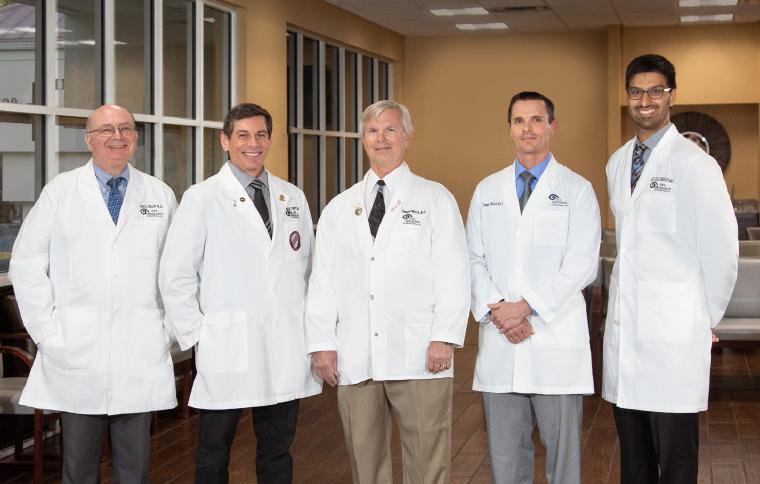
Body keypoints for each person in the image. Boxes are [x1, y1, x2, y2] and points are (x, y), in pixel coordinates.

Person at [9, 104, 177, 483]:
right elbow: (27, 264)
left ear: (135, 137)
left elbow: (178, 270)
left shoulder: (160, 195)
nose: (117, 137)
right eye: (106, 130)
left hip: (140, 351)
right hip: (77, 351)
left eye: (125, 128)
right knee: (79, 470)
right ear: (89, 140)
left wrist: (167, 330)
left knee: (135, 470)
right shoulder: (61, 192)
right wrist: (48, 333)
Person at [305, 100, 470, 484]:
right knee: (365, 461)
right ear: (363, 140)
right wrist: (322, 344)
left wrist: (444, 337)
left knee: (427, 461)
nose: (382, 138)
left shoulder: (435, 199)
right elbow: (322, 280)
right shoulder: (338, 208)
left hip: (420, 352)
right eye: (373, 131)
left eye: (391, 129)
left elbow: (454, 272)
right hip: (356, 352)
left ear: (407, 137)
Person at [159, 103, 320, 484]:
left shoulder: (292, 196)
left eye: (261, 135)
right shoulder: (202, 198)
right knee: (214, 451)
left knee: (277, 450)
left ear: (270, 140)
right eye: (243, 135)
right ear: (225, 140)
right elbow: (175, 276)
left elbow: (309, 269)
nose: (253, 144)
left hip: (284, 343)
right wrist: (199, 335)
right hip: (225, 343)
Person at [604, 54, 738, 484]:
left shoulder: (695, 164)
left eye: (655, 91)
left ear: (671, 96)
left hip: (675, 336)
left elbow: (721, 250)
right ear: (627, 96)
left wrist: (706, 317)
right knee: (634, 462)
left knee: (677, 462)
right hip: (628, 330)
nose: (645, 101)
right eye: (636, 91)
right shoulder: (617, 163)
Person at [466, 91, 600, 484]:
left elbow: (581, 264)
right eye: (519, 120)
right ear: (509, 128)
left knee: (563, 460)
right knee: (506, 459)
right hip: (502, 339)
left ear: (552, 126)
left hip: (554, 339)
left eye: (537, 120)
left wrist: (524, 307)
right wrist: (500, 311)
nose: (528, 128)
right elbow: (472, 259)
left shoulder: (577, 189)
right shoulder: (487, 190)